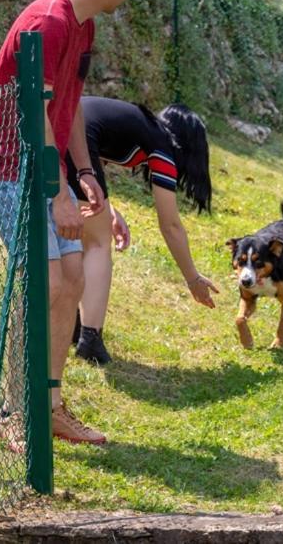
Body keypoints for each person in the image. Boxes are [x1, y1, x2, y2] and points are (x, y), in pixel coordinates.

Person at [0, 0, 147, 448]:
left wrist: (87, 177)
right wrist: (59, 193)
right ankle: (16, 412)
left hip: (45, 166)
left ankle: (51, 405)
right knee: (43, 284)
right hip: (6, 165)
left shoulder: (81, 28)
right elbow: (34, 113)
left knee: (70, 282)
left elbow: (67, 111)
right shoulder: (48, 21)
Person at [65, 96, 220, 364]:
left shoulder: (139, 125)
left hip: (61, 128)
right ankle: (90, 339)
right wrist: (193, 279)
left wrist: (111, 212)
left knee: (84, 234)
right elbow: (170, 225)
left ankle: (74, 326)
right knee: (98, 243)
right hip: (76, 138)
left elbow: (93, 165)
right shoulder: (162, 144)